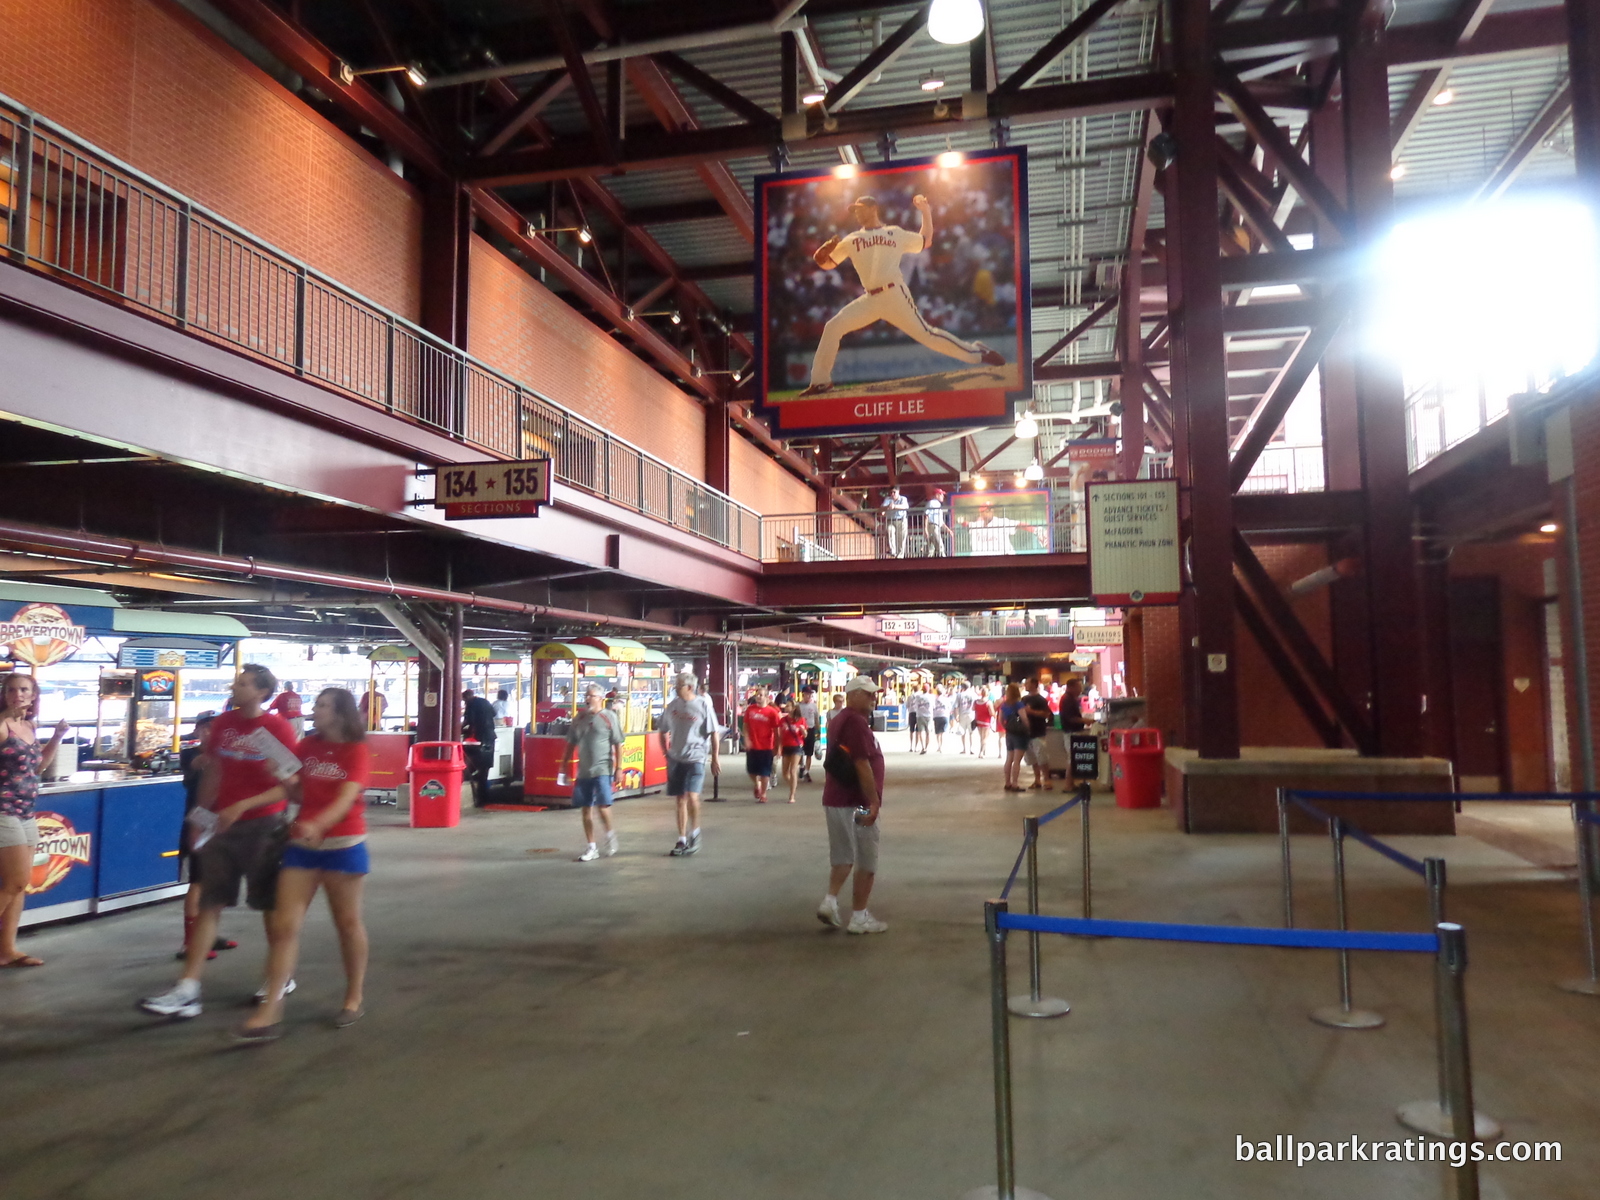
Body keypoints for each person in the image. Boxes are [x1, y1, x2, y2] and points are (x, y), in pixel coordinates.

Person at [141, 665, 297, 1018]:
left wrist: (244, 804)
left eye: (243, 683)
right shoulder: (225, 724)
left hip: (263, 825)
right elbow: (214, 770)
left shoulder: (273, 728)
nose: (236, 686)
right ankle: (188, 988)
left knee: (268, 905)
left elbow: (288, 783)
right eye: (237, 681)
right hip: (221, 826)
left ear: (261, 692)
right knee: (209, 902)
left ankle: (280, 976)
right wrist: (200, 817)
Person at [235, 688, 371, 1042]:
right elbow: (297, 793)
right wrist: (279, 778)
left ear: (340, 713)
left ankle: (354, 996)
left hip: (343, 844)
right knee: (283, 926)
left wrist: (319, 824)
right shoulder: (306, 747)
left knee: (347, 922)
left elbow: (345, 799)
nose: (314, 709)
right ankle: (271, 1009)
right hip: (301, 845)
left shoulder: (356, 751)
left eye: (322, 705)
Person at [797, 194, 1005, 401]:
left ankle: (977, 353)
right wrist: (820, 257)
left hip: (894, 294)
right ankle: (821, 381)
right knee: (834, 326)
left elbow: (926, 240)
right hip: (870, 299)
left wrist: (925, 212)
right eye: (855, 210)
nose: (857, 213)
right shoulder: (851, 239)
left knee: (927, 335)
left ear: (873, 209)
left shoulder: (893, 233)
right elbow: (828, 264)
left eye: (861, 208)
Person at [0, 672, 69, 967]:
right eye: (12, 689)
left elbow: (39, 766)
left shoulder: (28, 726)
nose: (18, 694)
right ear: (4, 694)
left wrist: (56, 737)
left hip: (26, 810)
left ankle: (7, 950)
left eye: (24, 690)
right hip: (3, 810)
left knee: (20, 884)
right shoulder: (2, 725)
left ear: (33, 695)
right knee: (15, 881)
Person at [817, 676, 888, 935]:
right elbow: (861, 763)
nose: (873, 698)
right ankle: (859, 917)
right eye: (868, 694)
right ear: (853, 695)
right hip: (857, 803)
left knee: (843, 857)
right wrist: (873, 802)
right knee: (867, 860)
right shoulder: (856, 722)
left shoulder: (839, 719)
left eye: (874, 694)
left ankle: (830, 901)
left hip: (835, 799)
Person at [175, 712, 238, 963]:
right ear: (198, 730)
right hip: (200, 822)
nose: (210, 733)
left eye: (215, 728)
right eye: (205, 728)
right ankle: (189, 942)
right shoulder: (192, 754)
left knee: (218, 881)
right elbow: (194, 765)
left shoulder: (228, 756)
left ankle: (209, 934)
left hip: (222, 822)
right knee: (198, 881)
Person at [660, 672, 720, 856]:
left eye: (678, 685)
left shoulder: (703, 705)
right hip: (677, 758)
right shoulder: (672, 706)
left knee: (692, 796)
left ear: (689, 687)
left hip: (696, 757)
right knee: (680, 799)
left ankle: (695, 832)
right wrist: (666, 753)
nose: (675, 688)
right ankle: (681, 838)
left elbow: (714, 732)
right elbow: (663, 729)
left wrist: (715, 758)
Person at [567, 683, 624, 862]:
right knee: (585, 809)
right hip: (584, 770)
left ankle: (610, 835)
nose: (587, 699)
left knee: (603, 806)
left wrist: (619, 768)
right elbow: (571, 742)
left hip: (603, 769)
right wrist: (564, 764)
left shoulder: (609, 717)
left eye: (591, 696)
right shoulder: (579, 718)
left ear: (600, 698)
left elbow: (618, 743)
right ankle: (591, 847)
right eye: (586, 695)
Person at [742, 686, 781, 803]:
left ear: (767, 697)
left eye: (761, 695)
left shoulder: (772, 713)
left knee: (765, 772)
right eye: (757, 694)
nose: (758, 697)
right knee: (751, 770)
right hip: (753, 745)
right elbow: (745, 726)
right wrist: (747, 739)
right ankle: (757, 784)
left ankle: (763, 793)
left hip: (766, 746)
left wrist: (777, 747)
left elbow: (777, 732)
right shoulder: (750, 710)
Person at [461, 688, 498, 805]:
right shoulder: (485, 701)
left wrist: (459, 728)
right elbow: (494, 713)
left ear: (466, 698)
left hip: (479, 739)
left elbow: (468, 721)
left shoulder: (471, 704)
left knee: (475, 766)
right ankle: (485, 797)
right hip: (490, 738)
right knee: (485, 768)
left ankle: (478, 798)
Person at [999, 683, 1029, 792]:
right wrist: (1027, 728)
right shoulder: (1018, 704)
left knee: (1009, 759)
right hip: (1020, 734)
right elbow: (1024, 718)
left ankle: (1007, 783)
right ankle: (1015, 784)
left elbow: (1000, 720)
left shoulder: (1004, 705)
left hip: (1009, 734)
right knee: (1017, 761)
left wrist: (1007, 727)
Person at [1024, 686, 1055, 792]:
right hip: (1027, 733)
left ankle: (1047, 780)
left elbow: (1047, 714)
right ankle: (1037, 780)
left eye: (1028, 683)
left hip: (1038, 731)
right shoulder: (1024, 699)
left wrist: (1031, 711)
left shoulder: (1041, 700)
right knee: (1032, 758)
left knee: (1041, 757)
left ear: (1034, 685)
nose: (1025, 685)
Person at [779, 703, 808, 804]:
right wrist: (779, 748)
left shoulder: (801, 719)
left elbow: (805, 735)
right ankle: (793, 786)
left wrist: (802, 730)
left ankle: (792, 795)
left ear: (794, 708)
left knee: (793, 770)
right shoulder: (783, 720)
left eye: (788, 706)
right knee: (784, 773)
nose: (786, 707)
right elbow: (780, 735)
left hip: (797, 746)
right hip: (786, 747)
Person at [797, 686, 821, 783]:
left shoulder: (814, 706)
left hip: (811, 729)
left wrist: (818, 731)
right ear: (803, 695)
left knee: (809, 753)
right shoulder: (798, 706)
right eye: (807, 694)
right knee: (799, 751)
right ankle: (801, 766)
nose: (809, 696)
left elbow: (816, 719)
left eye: (810, 695)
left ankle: (807, 771)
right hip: (800, 731)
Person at [881, 485, 910, 558]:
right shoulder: (887, 499)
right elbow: (881, 508)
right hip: (890, 520)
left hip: (901, 521)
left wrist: (894, 506)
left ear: (898, 492)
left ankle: (900, 555)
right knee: (889, 531)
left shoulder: (903, 499)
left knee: (901, 538)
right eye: (891, 492)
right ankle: (892, 551)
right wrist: (887, 507)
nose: (892, 494)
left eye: (894, 492)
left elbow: (905, 506)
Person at [923, 489, 950, 557]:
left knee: (932, 547)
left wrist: (948, 529)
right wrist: (925, 529)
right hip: (933, 526)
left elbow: (941, 521)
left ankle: (927, 562)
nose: (943, 496)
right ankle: (943, 560)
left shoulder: (938, 504)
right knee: (939, 544)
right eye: (941, 495)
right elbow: (926, 515)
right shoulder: (932, 503)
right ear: (937, 495)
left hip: (935, 526)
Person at [906, 684, 931, 754]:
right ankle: (916, 747)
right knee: (918, 731)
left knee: (911, 730)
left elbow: (907, 705)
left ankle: (911, 746)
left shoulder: (910, 696)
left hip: (912, 713)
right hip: (919, 714)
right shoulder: (921, 696)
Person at [972, 686, 995, 759]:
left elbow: (973, 709)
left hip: (978, 720)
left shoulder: (976, 701)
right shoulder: (989, 702)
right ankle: (981, 752)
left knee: (981, 737)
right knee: (985, 738)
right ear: (987, 694)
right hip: (986, 721)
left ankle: (982, 750)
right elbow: (991, 713)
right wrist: (995, 715)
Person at [952, 682, 975, 754]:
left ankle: (964, 749)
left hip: (962, 714)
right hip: (971, 714)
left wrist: (957, 715)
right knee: (971, 733)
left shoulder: (959, 695)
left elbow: (956, 706)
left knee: (963, 732)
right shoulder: (973, 694)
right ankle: (972, 748)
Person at [930, 685, 949, 753]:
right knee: (942, 732)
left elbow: (932, 707)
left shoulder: (934, 699)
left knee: (938, 733)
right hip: (944, 716)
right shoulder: (946, 699)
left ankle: (939, 746)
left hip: (937, 716)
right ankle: (942, 746)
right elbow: (949, 707)